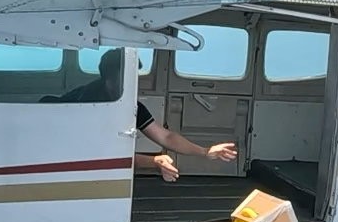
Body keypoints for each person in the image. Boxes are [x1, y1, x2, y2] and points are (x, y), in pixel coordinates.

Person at [62, 49, 237, 181]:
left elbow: (166, 137)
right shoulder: (87, 104)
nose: (135, 83)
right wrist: (154, 161)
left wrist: (205, 151)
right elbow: (103, 155)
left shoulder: (129, 105)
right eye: (129, 77)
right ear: (109, 80)